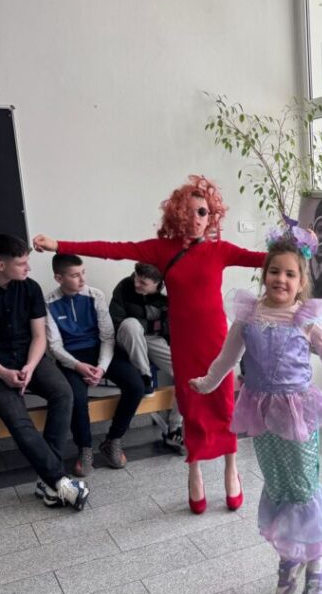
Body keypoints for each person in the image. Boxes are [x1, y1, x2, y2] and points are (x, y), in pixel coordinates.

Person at [33, 174, 265, 513]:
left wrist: (303, 246)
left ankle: (232, 469)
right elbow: (113, 250)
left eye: (203, 212)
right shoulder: (162, 250)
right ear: (177, 214)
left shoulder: (221, 250)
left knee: (223, 403)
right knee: (191, 404)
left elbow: (266, 259)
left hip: (216, 339)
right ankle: (195, 470)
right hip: (184, 343)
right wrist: (60, 245)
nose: (197, 218)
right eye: (190, 211)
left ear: (211, 215)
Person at [190, 228, 322, 594]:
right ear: (264, 274)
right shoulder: (249, 315)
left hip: (297, 413)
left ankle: (316, 563)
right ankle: (290, 557)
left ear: (302, 281)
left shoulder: (306, 318)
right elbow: (227, 357)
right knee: (279, 486)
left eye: (290, 274)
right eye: (274, 271)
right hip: (261, 413)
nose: (281, 279)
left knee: (303, 486)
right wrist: (207, 383)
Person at [0, 234, 88, 509]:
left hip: (31, 357)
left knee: (63, 393)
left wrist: (29, 367)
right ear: (1, 265)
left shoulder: (30, 288)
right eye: (22, 263)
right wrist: (3, 373)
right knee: (18, 419)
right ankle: (58, 480)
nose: (28, 268)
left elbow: (39, 336)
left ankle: (48, 480)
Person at [46, 253, 146, 477]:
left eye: (83, 273)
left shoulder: (95, 295)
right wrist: (78, 366)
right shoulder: (48, 303)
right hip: (71, 358)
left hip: (101, 351)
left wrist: (101, 368)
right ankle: (85, 448)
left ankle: (113, 440)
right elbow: (54, 346)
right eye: (75, 275)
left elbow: (108, 337)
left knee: (136, 386)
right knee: (77, 397)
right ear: (59, 278)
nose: (82, 279)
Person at [109, 262, 184, 454]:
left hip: (155, 339)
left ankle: (175, 429)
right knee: (131, 324)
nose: (136, 283)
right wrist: (150, 321)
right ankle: (145, 376)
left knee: (187, 373)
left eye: (143, 282)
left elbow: (176, 324)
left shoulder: (171, 292)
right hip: (128, 338)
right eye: (136, 277)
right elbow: (116, 322)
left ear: (158, 284)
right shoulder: (125, 286)